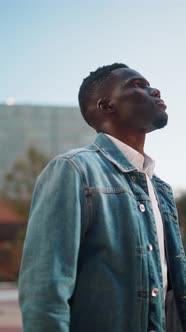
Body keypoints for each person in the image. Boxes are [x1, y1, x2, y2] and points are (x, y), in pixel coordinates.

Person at [19, 63, 186, 332]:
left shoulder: (161, 190)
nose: (154, 90)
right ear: (106, 105)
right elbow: (45, 292)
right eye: (137, 85)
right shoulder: (74, 169)